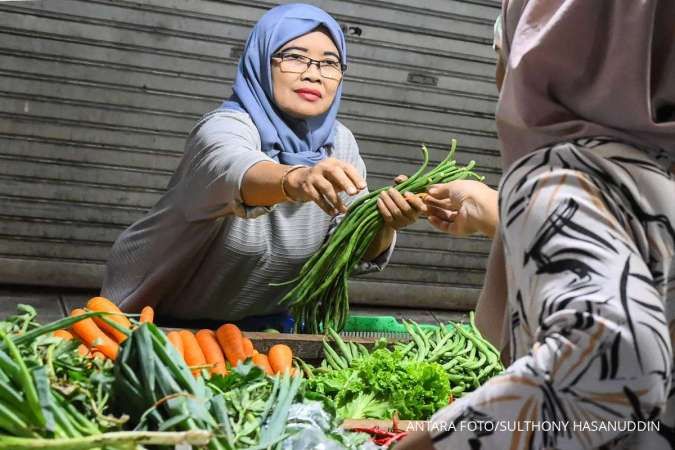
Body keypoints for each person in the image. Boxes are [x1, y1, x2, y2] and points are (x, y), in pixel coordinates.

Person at [398, 0, 675, 449]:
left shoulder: (559, 173)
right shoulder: (657, 175)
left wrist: (429, 443)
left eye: (504, 49)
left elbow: (616, 360)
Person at [100, 4, 425, 331]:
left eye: (329, 63)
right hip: (153, 323)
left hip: (264, 327)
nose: (313, 73)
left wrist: (384, 222)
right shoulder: (224, 127)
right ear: (260, 61)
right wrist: (297, 178)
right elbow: (232, 169)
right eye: (295, 57)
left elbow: (352, 245)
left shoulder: (339, 144)